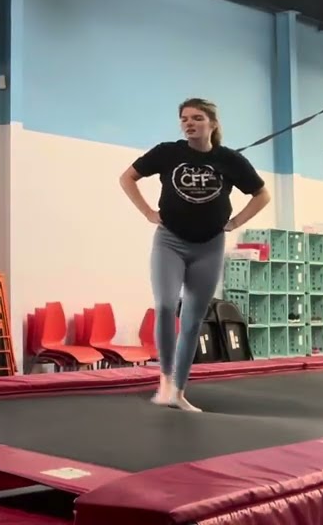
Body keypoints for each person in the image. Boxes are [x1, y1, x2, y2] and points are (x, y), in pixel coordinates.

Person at [118, 98, 270, 412]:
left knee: (191, 322)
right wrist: (148, 212)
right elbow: (127, 177)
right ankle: (164, 381)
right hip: (170, 241)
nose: (189, 123)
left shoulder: (229, 160)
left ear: (212, 124)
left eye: (197, 118)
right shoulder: (167, 153)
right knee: (164, 305)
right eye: (184, 119)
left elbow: (262, 194)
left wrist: (237, 222)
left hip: (210, 246)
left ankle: (178, 391)